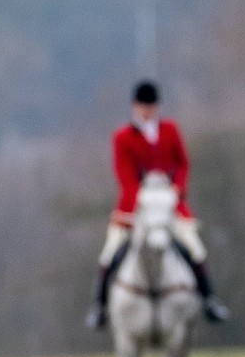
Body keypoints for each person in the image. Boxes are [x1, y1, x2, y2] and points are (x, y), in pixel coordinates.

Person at [86, 80, 229, 329]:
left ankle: (209, 300)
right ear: (135, 107)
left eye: (151, 106)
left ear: (157, 107)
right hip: (134, 207)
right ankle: (99, 307)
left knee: (195, 247)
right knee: (109, 252)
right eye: (143, 106)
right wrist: (142, 198)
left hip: (169, 205)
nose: (147, 111)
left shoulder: (171, 130)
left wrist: (177, 190)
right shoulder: (122, 137)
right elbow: (124, 174)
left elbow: (182, 163)